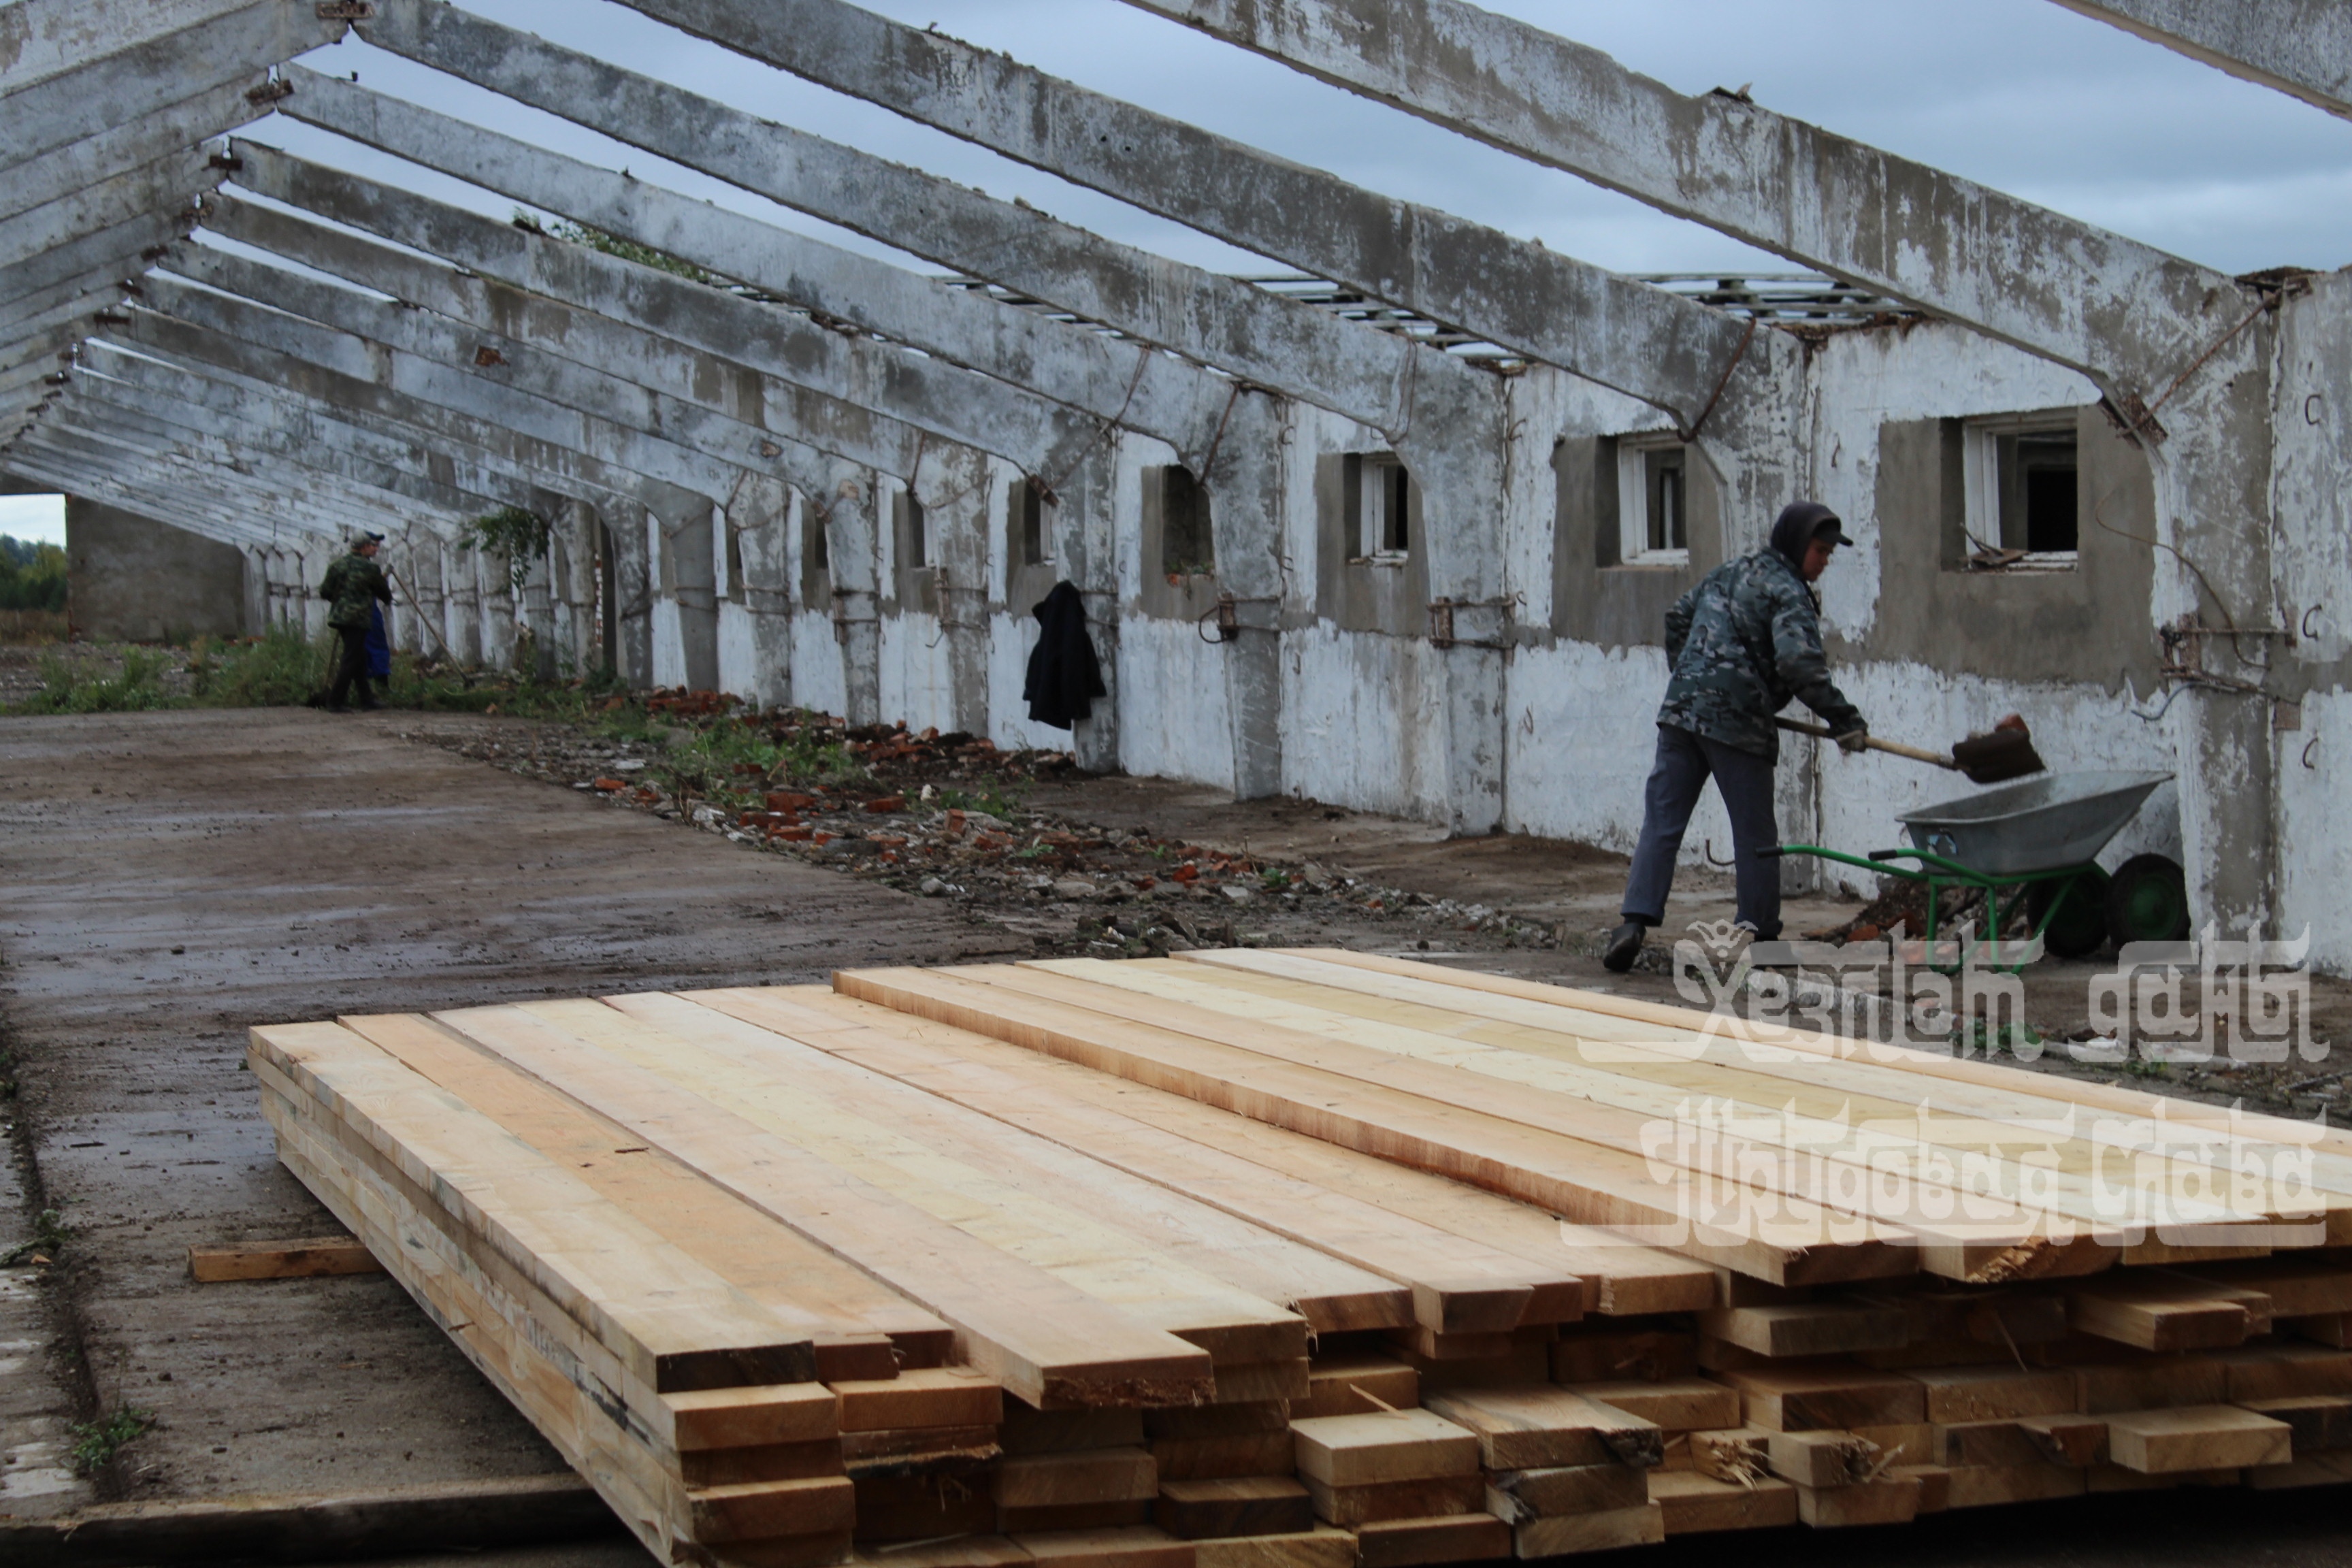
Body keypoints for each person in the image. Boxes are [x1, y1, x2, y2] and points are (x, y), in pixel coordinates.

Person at [1603, 501, 1868, 973]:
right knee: (1755, 834)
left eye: (1830, 553)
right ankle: (1762, 938)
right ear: (1796, 544)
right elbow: (1798, 664)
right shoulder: (1789, 592)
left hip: (1682, 712)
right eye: (1820, 550)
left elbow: (1677, 617)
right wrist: (1844, 719)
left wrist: (1694, 675)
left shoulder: (1730, 571)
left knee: (1663, 824)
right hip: (1738, 724)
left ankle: (1632, 924)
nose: (1825, 560)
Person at [319, 532, 393, 713]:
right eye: (372, 546)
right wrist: (384, 595)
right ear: (364, 547)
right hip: (358, 619)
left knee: (358, 657)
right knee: (351, 658)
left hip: (339, 618)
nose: (375, 549)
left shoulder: (337, 565)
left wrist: (341, 599)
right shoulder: (370, 569)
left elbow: (325, 592)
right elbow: (384, 593)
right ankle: (335, 701)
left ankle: (366, 700)